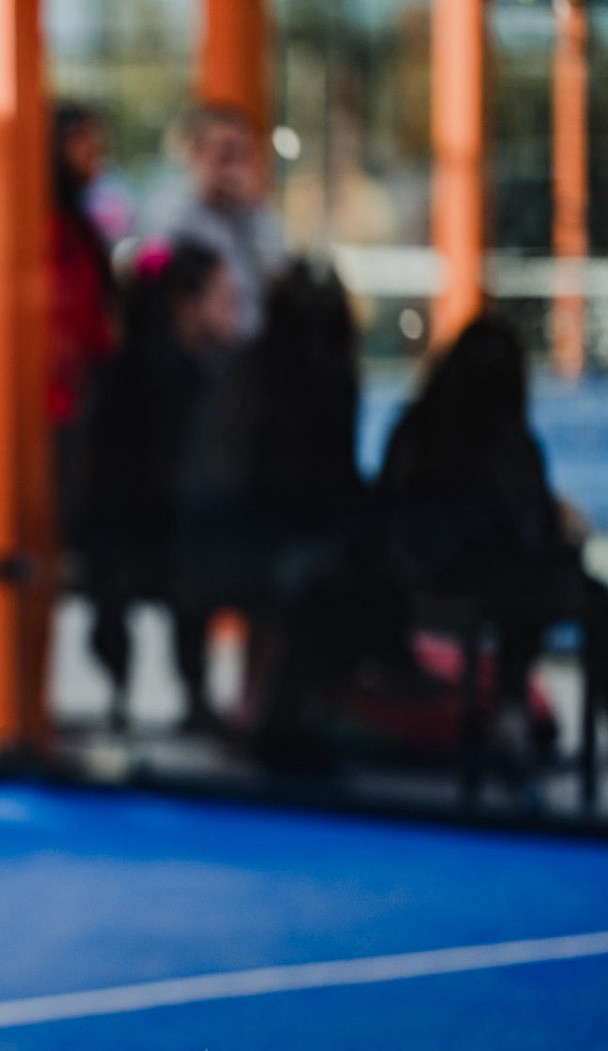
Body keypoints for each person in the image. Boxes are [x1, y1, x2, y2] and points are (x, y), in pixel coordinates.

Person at [178, 259, 404, 762]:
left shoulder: (269, 368)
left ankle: (285, 711)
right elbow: (294, 486)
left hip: (246, 537)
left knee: (335, 569)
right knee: (326, 577)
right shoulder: (285, 376)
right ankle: (280, 717)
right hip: (241, 543)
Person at [377, 313, 608, 748]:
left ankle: (511, 705)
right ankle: (512, 701)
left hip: (415, 579)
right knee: (572, 589)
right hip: (484, 585)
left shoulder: (412, 431)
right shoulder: (509, 446)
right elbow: (531, 533)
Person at [76, 239, 241, 732]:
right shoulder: (154, 376)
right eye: (225, 300)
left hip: (152, 536)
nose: (236, 312)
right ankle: (186, 693)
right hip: (135, 537)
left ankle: (181, 693)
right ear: (186, 304)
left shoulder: (208, 373)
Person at [48, 101, 118, 547]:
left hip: (79, 393)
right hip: (61, 400)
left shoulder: (75, 220)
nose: (97, 155)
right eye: (86, 142)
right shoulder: (49, 225)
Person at [163, 104, 289, 341]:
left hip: (254, 346)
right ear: (195, 154)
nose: (235, 169)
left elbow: (279, 270)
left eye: (243, 156)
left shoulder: (252, 211)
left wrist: (255, 209)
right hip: (198, 350)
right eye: (225, 155)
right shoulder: (173, 211)